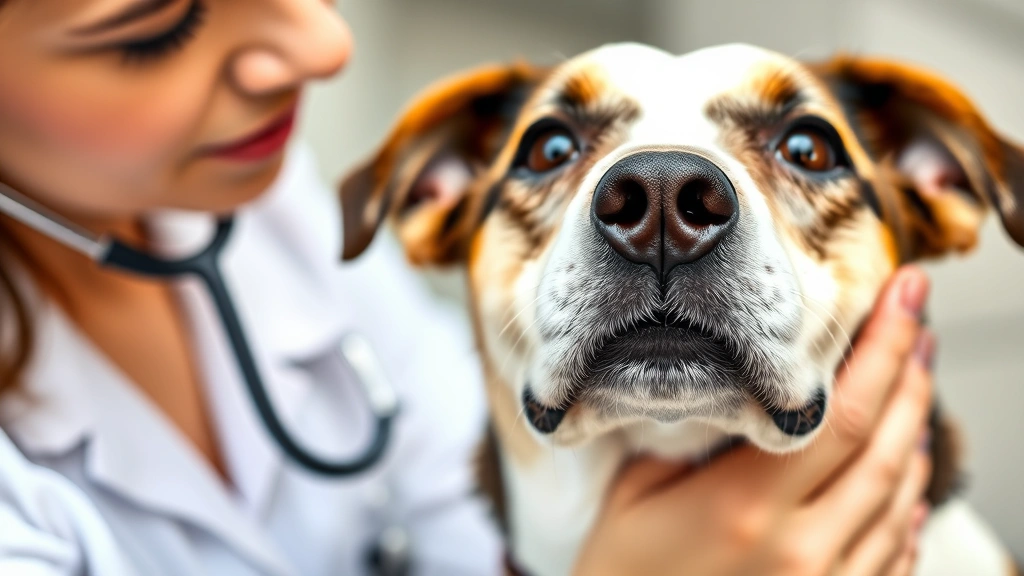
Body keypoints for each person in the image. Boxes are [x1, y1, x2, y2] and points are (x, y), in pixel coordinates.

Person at [0, 1, 934, 575]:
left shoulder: (266, 211)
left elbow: (466, 516)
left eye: (802, 153)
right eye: (153, 26)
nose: (325, 42)